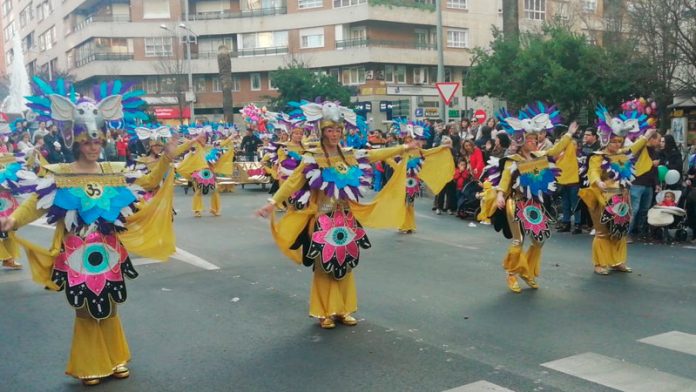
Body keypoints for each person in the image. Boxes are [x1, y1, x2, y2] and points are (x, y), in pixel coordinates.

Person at [0, 79, 178, 385]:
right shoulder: (61, 175)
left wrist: (165, 159)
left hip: (109, 250)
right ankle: (91, 364)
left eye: (97, 142)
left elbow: (146, 184)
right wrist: (12, 220)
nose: (94, 147)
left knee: (110, 305)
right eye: (87, 142)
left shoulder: (113, 171)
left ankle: (116, 358)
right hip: (75, 252)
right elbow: (35, 203)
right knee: (84, 309)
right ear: (75, 141)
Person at [256, 101, 419, 329]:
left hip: (346, 218)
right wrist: (272, 203)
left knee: (346, 263)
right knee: (324, 266)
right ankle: (324, 312)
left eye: (338, 130)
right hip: (322, 218)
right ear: (322, 132)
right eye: (330, 130)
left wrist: (402, 148)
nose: (334, 134)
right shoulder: (312, 157)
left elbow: (374, 155)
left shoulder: (349, 154)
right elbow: (293, 182)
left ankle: (343, 309)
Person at [490, 103, 577, 293]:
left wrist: (569, 134)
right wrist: (499, 196)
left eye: (536, 139)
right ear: (522, 142)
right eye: (530, 140)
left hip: (534, 204)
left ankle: (526, 270)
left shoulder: (540, 155)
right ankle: (512, 274)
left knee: (539, 239)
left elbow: (554, 151)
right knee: (518, 240)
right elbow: (504, 181)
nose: (535, 142)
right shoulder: (513, 161)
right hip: (516, 202)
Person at [578, 104, 656, 276]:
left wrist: (647, 136)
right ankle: (600, 263)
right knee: (602, 232)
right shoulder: (597, 156)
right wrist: (598, 181)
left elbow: (634, 148)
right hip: (602, 198)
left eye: (619, 141)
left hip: (621, 196)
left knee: (620, 231)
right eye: (613, 141)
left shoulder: (622, 154)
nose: (616, 144)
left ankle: (617, 261)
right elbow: (592, 171)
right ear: (606, 139)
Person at [385, 120, 454, 233]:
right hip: (401, 179)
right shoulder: (401, 150)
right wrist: (397, 167)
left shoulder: (419, 151)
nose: (410, 140)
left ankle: (409, 224)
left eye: (412, 139)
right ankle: (403, 224)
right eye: (407, 138)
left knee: (410, 202)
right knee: (403, 202)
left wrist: (443, 147)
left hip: (412, 180)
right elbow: (389, 157)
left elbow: (431, 151)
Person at [627, 132, 660, 243]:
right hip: (637, 182)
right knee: (634, 209)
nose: (659, 143)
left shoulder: (655, 152)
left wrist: (657, 184)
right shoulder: (641, 148)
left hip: (649, 185)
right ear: (651, 139)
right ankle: (627, 233)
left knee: (644, 210)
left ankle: (638, 232)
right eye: (658, 140)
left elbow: (655, 170)